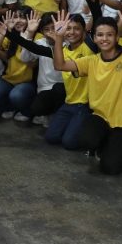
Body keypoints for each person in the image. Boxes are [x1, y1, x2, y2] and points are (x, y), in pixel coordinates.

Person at [50, 1, 122, 175]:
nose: (104, 39)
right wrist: (59, 38)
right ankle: (103, 144)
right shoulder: (91, 61)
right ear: (95, 38)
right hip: (100, 118)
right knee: (85, 139)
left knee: (110, 168)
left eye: (109, 35)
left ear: (117, 37)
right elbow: (60, 65)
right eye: (100, 35)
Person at [43, 13, 94, 149]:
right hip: (69, 102)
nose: (72, 32)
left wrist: (94, 4)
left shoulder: (90, 47)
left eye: (77, 28)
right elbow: (57, 65)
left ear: (84, 31)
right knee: (51, 137)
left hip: (85, 105)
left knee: (69, 142)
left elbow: (97, 16)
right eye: (68, 28)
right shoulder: (62, 50)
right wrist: (59, 37)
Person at [0, 14, 36, 122]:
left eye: (22, 17)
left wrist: (29, 35)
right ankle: (10, 107)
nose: (18, 20)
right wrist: (3, 33)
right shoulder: (12, 35)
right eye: (16, 17)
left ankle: (26, 111)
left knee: (17, 96)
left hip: (28, 82)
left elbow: (29, 61)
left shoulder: (37, 36)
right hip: (9, 79)